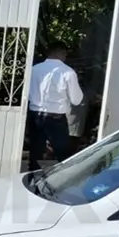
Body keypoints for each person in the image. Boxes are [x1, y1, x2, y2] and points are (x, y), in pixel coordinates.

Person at [26, 43, 83, 172]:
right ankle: (61, 178)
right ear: (62, 53)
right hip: (56, 117)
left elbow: (27, 93)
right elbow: (76, 99)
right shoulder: (67, 72)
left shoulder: (34, 69)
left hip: (35, 114)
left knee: (35, 151)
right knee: (61, 153)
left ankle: (32, 176)